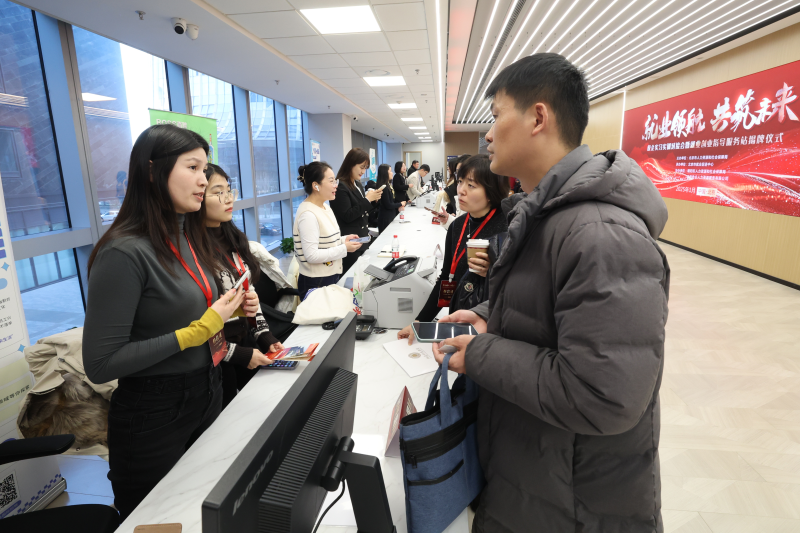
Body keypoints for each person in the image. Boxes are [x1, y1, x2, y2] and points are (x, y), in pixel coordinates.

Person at [431, 54, 669, 532]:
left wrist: (481, 354)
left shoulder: (601, 233)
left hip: (575, 504)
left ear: (538, 118)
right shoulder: (546, 215)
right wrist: (489, 314)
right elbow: (546, 307)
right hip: (536, 477)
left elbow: (602, 395)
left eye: (496, 116)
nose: (488, 134)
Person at [82, 125, 254, 519]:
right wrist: (196, 332)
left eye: (205, 169)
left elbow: (187, 313)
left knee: (206, 512)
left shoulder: (190, 237)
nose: (203, 180)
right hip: (154, 412)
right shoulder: (124, 252)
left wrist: (231, 310)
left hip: (207, 390)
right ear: (152, 171)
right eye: (192, 168)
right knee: (158, 520)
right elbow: (100, 364)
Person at [198, 164, 285, 408]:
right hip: (218, 358)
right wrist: (237, 354)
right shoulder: (193, 250)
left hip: (244, 344)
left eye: (229, 190)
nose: (228, 198)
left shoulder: (232, 238)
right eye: (218, 192)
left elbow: (248, 293)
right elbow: (196, 323)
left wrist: (264, 336)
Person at [397, 154, 508, 340]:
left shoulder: (508, 227)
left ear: (491, 191)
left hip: (492, 328)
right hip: (459, 317)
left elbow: (522, 288)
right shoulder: (458, 226)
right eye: (461, 181)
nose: (461, 190)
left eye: (471, 185)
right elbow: (447, 277)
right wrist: (420, 322)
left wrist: (492, 272)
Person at [293, 162, 362, 299]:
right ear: (316, 185)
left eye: (335, 181)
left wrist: (344, 240)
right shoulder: (308, 215)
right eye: (331, 181)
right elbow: (312, 255)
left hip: (329, 275)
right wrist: (344, 248)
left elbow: (325, 240)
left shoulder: (325, 207)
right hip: (316, 281)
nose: (336, 185)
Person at [330, 148, 382, 274]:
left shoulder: (357, 184)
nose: (363, 171)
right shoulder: (340, 186)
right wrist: (367, 200)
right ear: (351, 164)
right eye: (361, 167)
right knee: (351, 277)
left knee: (361, 276)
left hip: (361, 239)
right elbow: (347, 215)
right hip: (350, 241)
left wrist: (373, 201)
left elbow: (361, 210)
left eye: (365, 168)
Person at [376, 163, 406, 234]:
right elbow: (388, 205)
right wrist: (400, 204)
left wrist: (398, 206)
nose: (392, 173)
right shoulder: (383, 187)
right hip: (385, 218)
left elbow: (392, 201)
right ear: (385, 173)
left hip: (390, 215)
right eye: (390, 171)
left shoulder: (388, 185)